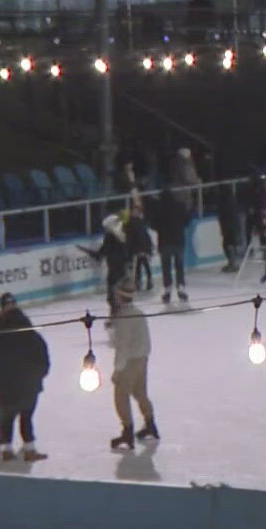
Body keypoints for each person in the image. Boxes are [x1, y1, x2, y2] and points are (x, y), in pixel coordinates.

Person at [0, 293, 50, 462]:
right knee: (25, 416)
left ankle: (7, 449)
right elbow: (41, 353)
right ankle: (27, 449)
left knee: (8, 416)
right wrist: (38, 375)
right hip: (27, 382)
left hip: (8, 383)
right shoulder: (24, 324)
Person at [108, 279, 158, 451]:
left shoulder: (124, 317)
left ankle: (127, 431)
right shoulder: (138, 313)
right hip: (142, 358)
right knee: (140, 393)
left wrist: (117, 370)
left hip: (129, 361)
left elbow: (122, 345)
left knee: (121, 396)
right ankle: (150, 424)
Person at [151, 186, 191, 305]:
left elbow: (153, 224)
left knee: (166, 267)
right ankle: (180, 286)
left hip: (164, 242)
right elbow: (186, 221)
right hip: (178, 240)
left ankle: (167, 288)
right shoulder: (180, 206)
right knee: (179, 266)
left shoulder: (158, 208)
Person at [215, 181, 243, 272]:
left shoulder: (224, 201)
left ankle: (233, 263)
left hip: (229, 226)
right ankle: (234, 263)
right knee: (232, 244)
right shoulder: (233, 199)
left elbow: (223, 215)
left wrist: (223, 228)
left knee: (228, 244)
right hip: (234, 225)